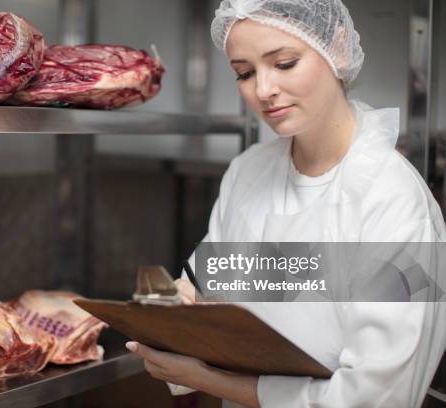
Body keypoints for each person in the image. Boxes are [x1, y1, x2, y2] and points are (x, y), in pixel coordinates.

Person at [125, 0, 446, 407]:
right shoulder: (248, 172)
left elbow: (378, 396)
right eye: (244, 73)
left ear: (339, 48)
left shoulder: (394, 200)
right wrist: (175, 309)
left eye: (285, 63)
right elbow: (205, 284)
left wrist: (207, 380)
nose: (263, 90)